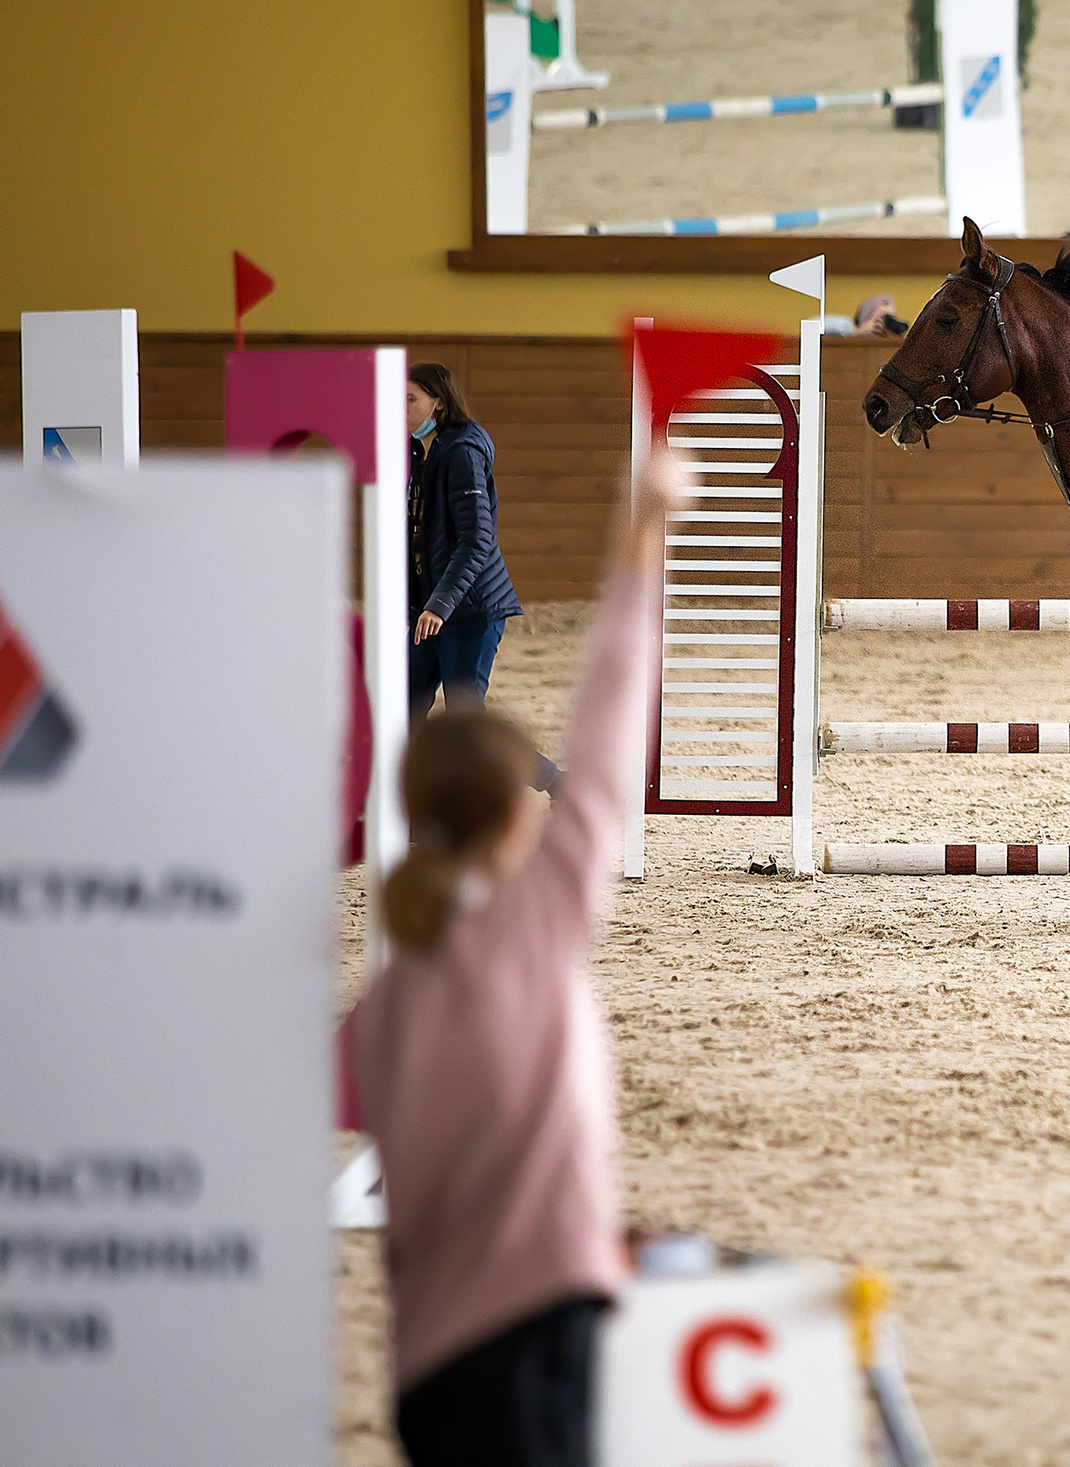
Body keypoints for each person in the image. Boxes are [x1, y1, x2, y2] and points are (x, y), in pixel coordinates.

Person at [347, 445, 692, 1467]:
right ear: (513, 817)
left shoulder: (382, 1000)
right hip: (539, 1324)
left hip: (425, 1366)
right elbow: (607, 741)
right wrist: (641, 542)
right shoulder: (534, 923)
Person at [406, 364, 558, 793]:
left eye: (410, 399)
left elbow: (477, 540)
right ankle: (414, 806)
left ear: (439, 402)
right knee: (402, 709)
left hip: (470, 609)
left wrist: (439, 604)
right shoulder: (419, 453)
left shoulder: (462, 453)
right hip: (431, 611)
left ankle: (556, 784)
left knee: (466, 722)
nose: (401, 408)